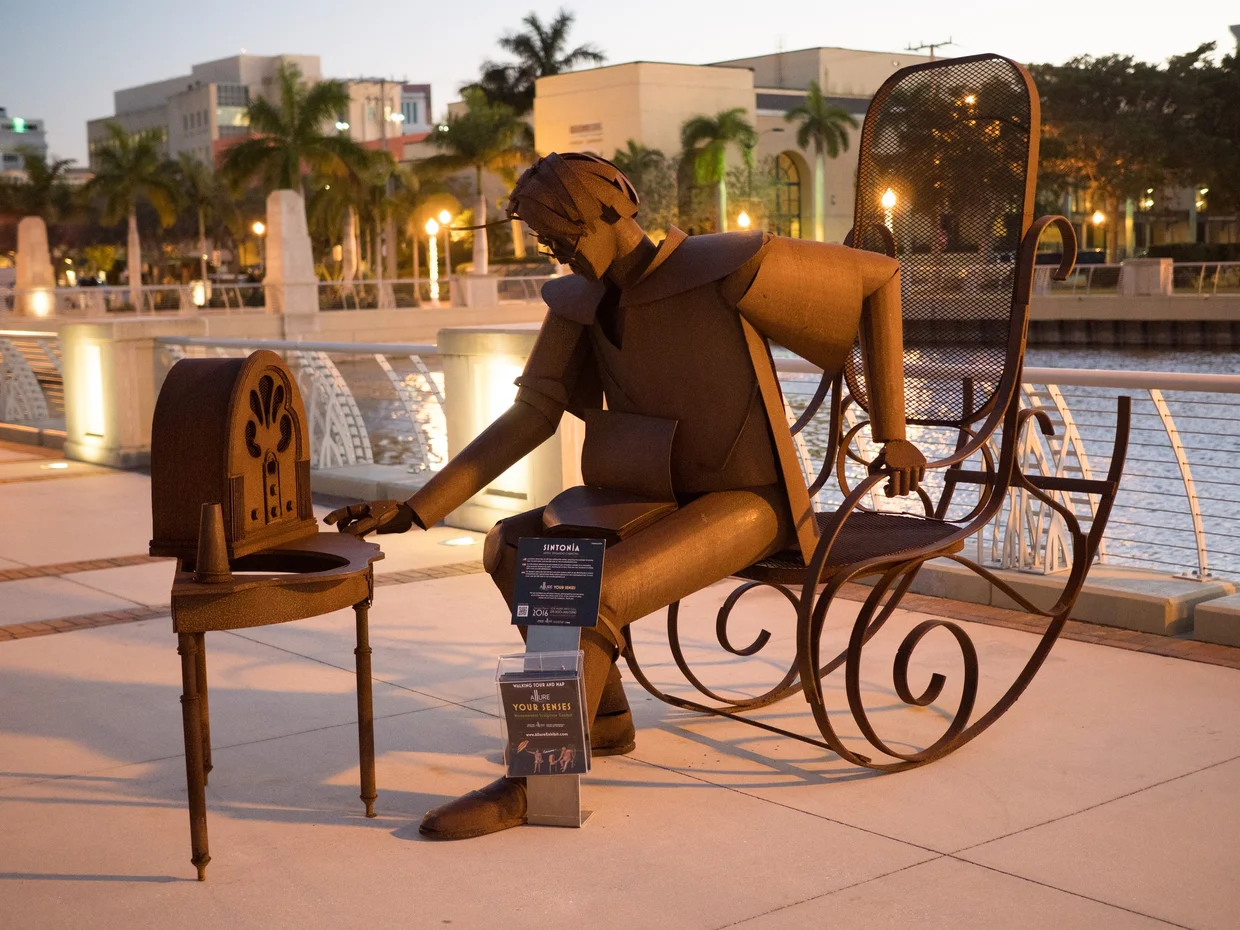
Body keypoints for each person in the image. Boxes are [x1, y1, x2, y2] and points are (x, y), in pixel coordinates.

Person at [327, 152, 924, 839]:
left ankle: (535, 780)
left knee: (592, 591)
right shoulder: (581, 300)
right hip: (646, 492)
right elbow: (532, 413)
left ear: (609, 211)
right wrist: (416, 506)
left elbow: (878, 277)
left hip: (748, 502)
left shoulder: (726, 265)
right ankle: (603, 721)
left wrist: (893, 432)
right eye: (547, 245)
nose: (556, 255)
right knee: (512, 548)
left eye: (561, 237)